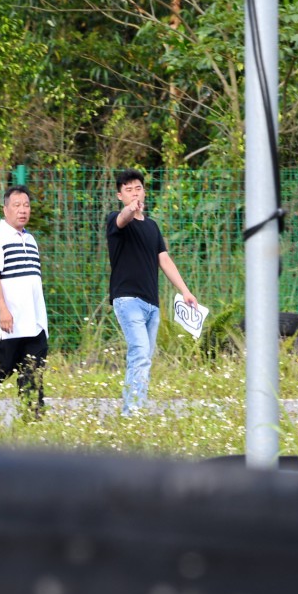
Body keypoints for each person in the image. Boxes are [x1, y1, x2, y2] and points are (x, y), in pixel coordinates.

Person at [106, 169, 197, 415]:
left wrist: (185, 291)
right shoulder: (115, 220)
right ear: (119, 195)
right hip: (127, 300)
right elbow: (124, 218)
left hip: (151, 304)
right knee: (140, 353)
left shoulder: (153, 227)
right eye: (128, 190)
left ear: (144, 191)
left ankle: (135, 405)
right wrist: (130, 209)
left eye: (138, 188)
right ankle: (132, 411)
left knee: (144, 355)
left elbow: (164, 260)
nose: (134, 193)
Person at [0, 185, 48, 418]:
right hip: (8, 322)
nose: (22, 210)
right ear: (5, 209)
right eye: (16, 205)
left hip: (33, 322)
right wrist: (3, 310)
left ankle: (31, 416)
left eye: (26, 205)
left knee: (33, 369)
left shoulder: (31, 239)